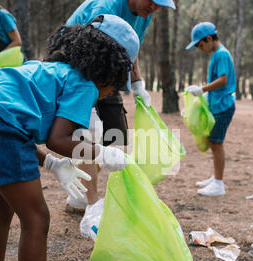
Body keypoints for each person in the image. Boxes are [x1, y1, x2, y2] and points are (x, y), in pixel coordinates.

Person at [0, 14, 138, 261]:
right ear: (110, 69)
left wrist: (51, 163)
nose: (110, 93)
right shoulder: (85, 85)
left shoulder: (49, 70)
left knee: (2, 208)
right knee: (37, 219)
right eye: (116, 84)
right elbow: (58, 139)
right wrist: (103, 153)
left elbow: (15, 121)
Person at [64, 0, 176, 218]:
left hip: (107, 71)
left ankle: (90, 190)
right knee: (86, 133)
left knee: (115, 134)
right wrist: (87, 105)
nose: (155, 7)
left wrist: (138, 85)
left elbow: (131, 50)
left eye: (160, 4)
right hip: (77, 69)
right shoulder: (105, 9)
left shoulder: (145, 13)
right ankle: (90, 203)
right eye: (153, 1)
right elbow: (83, 53)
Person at [185, 22, 236, 197]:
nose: (200, 49)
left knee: (217, 142)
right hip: (217, 104)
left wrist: (202, 89)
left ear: (208, 39)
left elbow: (223, 80)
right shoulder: (216, 54)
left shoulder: (222, 54)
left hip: (223, 106)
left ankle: (219, 184)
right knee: (213, 143)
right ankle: (215, 177)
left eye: (200, 45)